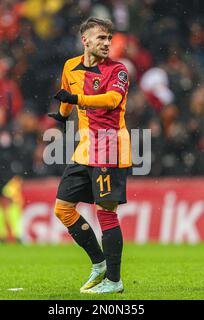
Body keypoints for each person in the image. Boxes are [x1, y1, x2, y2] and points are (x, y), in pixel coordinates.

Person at [47, 17, 131, 294]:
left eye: (109, 38)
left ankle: (115, 281)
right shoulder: (71, 66)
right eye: (101, 38)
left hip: (110, 147)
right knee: (63, 208)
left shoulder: (118, 70)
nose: (107, 43)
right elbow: (66, 93)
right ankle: (99, 263)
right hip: (85, 148)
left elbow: (111, 101)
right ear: (85, 40)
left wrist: (76, 101)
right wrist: (61, 115)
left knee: (106, 212)